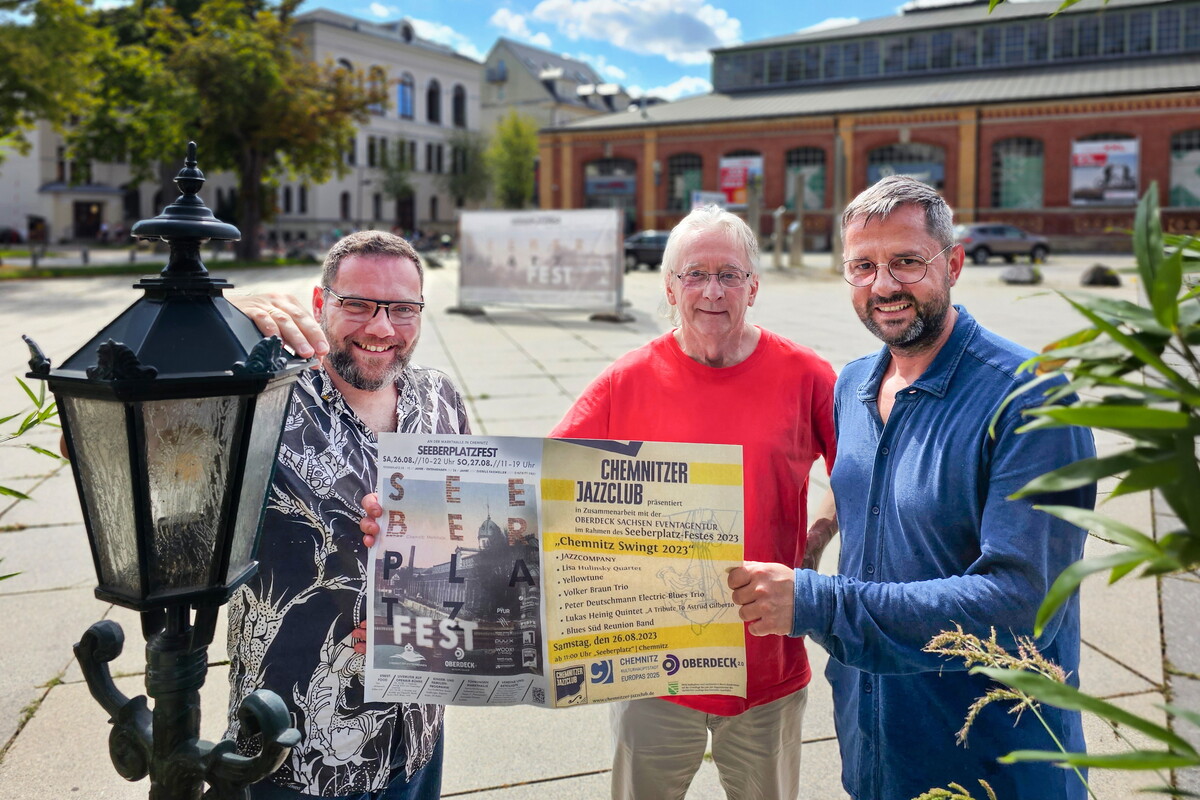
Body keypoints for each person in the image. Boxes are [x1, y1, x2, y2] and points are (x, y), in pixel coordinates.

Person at [728, 175, 1096, 800]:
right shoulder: (854, 385)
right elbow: (859, 485)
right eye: (862, 266)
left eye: (905, 262)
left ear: (952, 262)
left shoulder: (1032, 400)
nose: (883, 286)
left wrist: (818, 601)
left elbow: (1019, 606)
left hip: (993, 761)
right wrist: (813, 540)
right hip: (875, 747)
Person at [548, 204, 838, 800]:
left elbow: (856, 476)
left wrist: (813, 541)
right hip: (651, 665)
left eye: (729, 274)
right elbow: (541, 482)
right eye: (694, 274)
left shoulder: (807, 375)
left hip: (767, 662)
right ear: (669, 286)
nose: (712, 290)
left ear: (753, 287)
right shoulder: (625, 380)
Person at [225, 230, 471, 800]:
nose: (381, 328)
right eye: (357, 304)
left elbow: (475, 552)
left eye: (403, 309)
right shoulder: (265, 403)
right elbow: (128, 437)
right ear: (319, 304)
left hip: (415, 736)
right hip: (295, 752)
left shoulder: (440, 399)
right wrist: (228, 311)